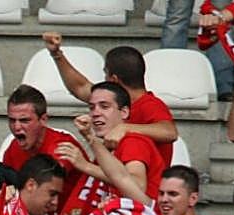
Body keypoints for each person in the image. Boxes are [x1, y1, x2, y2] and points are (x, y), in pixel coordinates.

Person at [41, 33, 177, 165]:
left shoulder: (151, 105)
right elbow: (80, 86)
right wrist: (57, 55)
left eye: (105, 74)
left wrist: (124, 128)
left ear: (114, 79)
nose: (97, 111)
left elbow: (169, 132)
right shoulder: (110, 99)